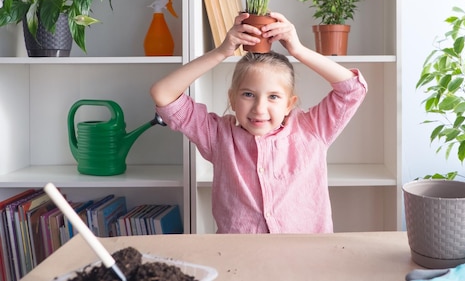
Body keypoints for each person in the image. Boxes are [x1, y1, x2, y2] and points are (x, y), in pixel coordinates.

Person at [150, 12, 367, 234]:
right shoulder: (217, 135)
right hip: (240, 258)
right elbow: (163, 93)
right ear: (232, 99)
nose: (259, 109)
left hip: (306, 256)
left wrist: (298, 50)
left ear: (289, 104)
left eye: (273, 97)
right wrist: (222, 52)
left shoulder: (311, 129)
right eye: (248, 95)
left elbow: (353, 89)